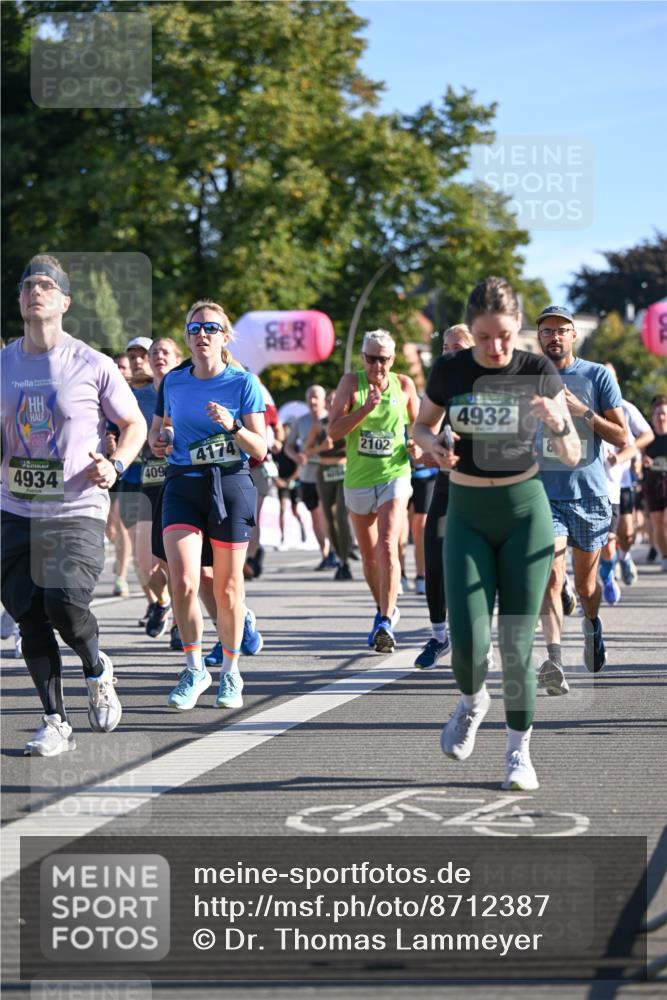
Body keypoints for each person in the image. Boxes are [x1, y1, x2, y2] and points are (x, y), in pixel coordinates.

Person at [413, 277, 580, 790]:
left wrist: (556, 423)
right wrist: (433, 447)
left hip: (523, 512)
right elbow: (420, 428)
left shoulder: (537, 369)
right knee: (466, 642)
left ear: (518, 329)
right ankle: (471, 702)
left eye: (505, 335)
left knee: (515, 643)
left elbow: (572, 453)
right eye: (484, 337)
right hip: (466, 510)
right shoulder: (450, 369)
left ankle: (518, 752)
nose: (495, 348)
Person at [1, 254, 146, 756]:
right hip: (15, 509)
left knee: (64, 604)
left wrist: (118, 463)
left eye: (44, 285)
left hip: (76, 506)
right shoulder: (3, 363)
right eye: (26, 286)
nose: (33, 292)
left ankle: (97, 667)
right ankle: (54, 720)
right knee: (29, 617)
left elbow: (134, 425)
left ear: (64, 301)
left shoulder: (92, 363)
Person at [148, 299, 266, 711]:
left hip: (230, 483)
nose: (202, 335)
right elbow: (157, 437)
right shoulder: (174, 383)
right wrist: (161, 442)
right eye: (195, 329)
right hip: (183, 483)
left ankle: (231, 673)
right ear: (187, 336)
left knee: (229, 588)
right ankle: (195, 668)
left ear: (225, 337)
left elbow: (261, 448)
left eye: (211, 328)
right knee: (182, 581)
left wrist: (232, 425)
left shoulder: (242, 383)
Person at [536, 306, 626, 692]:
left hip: (588, 496)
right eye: (546, 331)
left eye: (561, 330)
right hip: (543, 497)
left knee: (588, 588)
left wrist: (581, 411)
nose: (554, 336)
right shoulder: (523, 377)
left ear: (574, 336)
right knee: (551, 577)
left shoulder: (597, 375)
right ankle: (554, 660)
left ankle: (591, 623)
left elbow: (621, 436)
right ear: (538, 337)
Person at [328, 330, 421, 651]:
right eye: (370, 358)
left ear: (392, 360)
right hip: (358, 479)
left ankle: (384, 621)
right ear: (362, 357)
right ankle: (385, 607)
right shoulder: (350, 384)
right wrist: (364, 409)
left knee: (386, 545)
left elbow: (420, 428)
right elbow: (333, 431)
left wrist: (416, 446)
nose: (376, 365)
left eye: (383, 359)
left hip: (394, 474)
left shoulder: (405, 385)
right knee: (368, 558)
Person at [414, 323, 474, 669]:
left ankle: (475, 637)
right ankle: (439, 636)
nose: (449, 352)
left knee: (473, 566)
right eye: (445, 346)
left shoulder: (488, 382)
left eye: (457, 346)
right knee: (434, 558)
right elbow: (423, 429)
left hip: (483, 489)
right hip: (448, 485)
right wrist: (427, 447)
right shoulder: (441, 383)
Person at [601, 364, 654, 587]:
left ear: (616, 380)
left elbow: (647, 434)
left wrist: (629, 455)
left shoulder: (625, 407)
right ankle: (608, 572)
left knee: (627, 532)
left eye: (610, 378)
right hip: (601, 481)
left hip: (623, 480)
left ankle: (625, 557)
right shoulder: (590, 405)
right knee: (608, 536)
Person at [284, 386, 336, 570]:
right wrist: (295, 456)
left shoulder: (331, 419)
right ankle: (325, 553)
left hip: (328, 474)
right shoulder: (302, 421)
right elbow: (288, 446)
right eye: (309, 398)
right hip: (307, 476)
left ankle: (335, 551)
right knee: (315, 517)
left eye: (316, 397)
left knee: (326, 515)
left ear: (323, 400)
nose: (312, 401)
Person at [304, 401, 353, 580]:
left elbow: (358, 447)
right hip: (324, 473)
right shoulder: (319, 425)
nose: (335, 405)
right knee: (329, 518)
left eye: (338, 401)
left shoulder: (350, 422)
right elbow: (306, 450)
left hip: (344, 472)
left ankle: (346, 559)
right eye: (331, 402)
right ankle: (340, 558)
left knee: (340, 514)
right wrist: (321, 448)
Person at [642, 395, 667, 570]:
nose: (661, 418)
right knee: (657, 521)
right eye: (658, 414)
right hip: (652, 482)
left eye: (664, 414)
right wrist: (643, 460)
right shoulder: (648, 435)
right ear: (653, 416)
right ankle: (664, 556)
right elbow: (638, 453)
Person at [275, 427, 307, 548]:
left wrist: (289, 480)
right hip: (282, 482)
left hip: (294, 482)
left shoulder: (295, 448)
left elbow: (300, 467)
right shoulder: (277, 449)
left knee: (295, 509)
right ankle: (282, 537)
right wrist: (277, 480)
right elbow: (272, 466)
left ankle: (301, 526)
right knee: (282, 508)